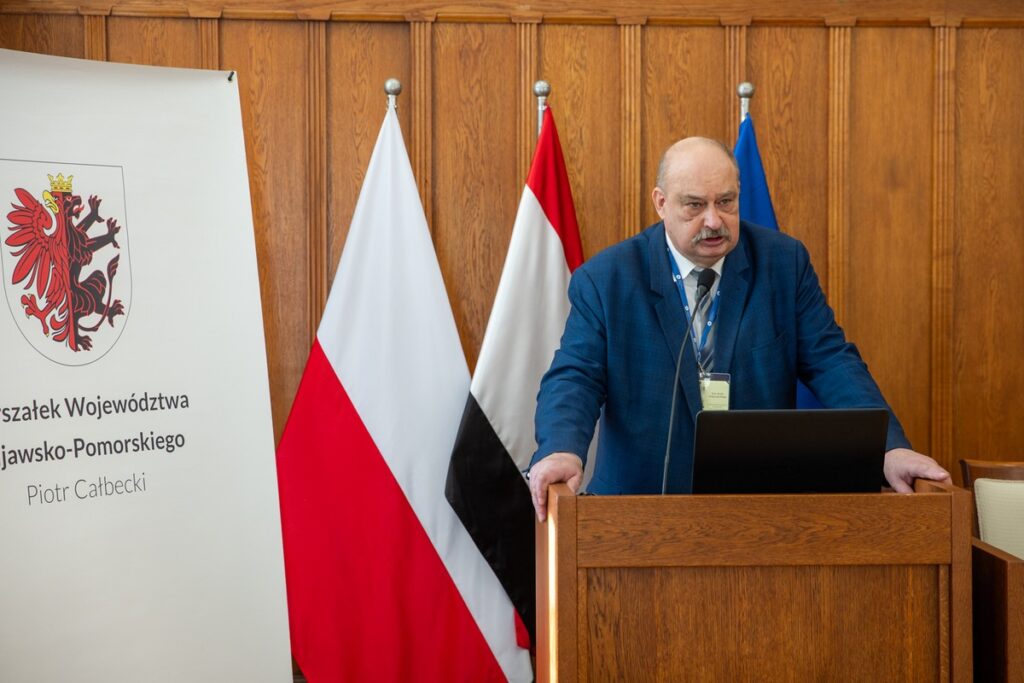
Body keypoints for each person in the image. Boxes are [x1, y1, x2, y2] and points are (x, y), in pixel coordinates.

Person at [528, 137, 950, 521]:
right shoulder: (608, 278)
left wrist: (890, 447)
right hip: (638, 514)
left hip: (757, 515)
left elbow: (832, 361)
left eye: (726, 202)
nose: (714, 221)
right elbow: (576, 375)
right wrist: (562, 448)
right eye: (694, 205)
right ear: (660, 203)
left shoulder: (783, 264)